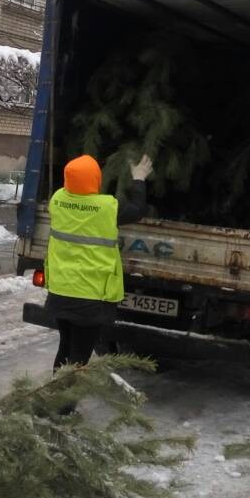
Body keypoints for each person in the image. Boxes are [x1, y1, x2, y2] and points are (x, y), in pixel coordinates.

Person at [46, 153, 151, 368]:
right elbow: (138, 210)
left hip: (60, 293)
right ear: (96, 180)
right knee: (78, 360)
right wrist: (138, 178)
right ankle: (63, 402)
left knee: (65, 349)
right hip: (89, 298)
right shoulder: (108, 207)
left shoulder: (57, 200)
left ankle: (53, 400)